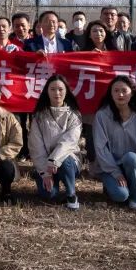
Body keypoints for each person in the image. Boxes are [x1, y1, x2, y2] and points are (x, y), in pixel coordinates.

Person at [91, 76, 136, 210]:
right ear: (110, 93)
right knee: (121, 196)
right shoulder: (102, 116)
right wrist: (116, 172)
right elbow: (101, 148)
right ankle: (113, 186)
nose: (120, 94)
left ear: (132, 92)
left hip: (132, 165)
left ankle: (135, 196)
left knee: (132, 158)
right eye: (116, 91)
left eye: (124, 91)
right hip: (110, 167)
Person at [28, 74, 82, 209]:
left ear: (66, 91)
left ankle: (71, 194)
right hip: (46, 164)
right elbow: (36, 147)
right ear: (47, 92)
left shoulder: (74, 115)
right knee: (49, 194)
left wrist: (54, 160)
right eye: (52, 89)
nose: (57, 93)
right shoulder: (39, 116)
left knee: (66, 158)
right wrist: (45, 173)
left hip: (67, 162)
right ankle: (41, 177)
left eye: (60, 89)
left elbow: (69, 142)